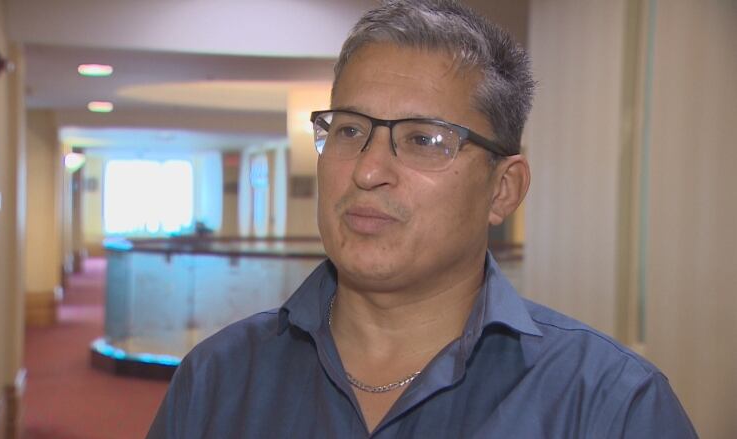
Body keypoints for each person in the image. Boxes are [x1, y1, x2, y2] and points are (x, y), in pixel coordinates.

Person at [148, 1, 697, 437]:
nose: (368, 170)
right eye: (348, 129)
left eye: (423, 139)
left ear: (503, 191)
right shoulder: (217, 379)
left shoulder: (610, 404)